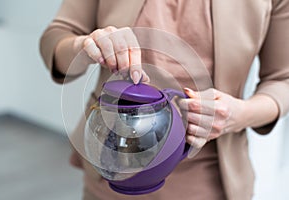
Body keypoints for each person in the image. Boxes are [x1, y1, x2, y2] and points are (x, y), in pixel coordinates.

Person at [40, 0, 289, 199]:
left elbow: (283, 80)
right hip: (111, 168)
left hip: (209, 183)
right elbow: (56, 37)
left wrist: (239, 114)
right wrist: (83, 47)